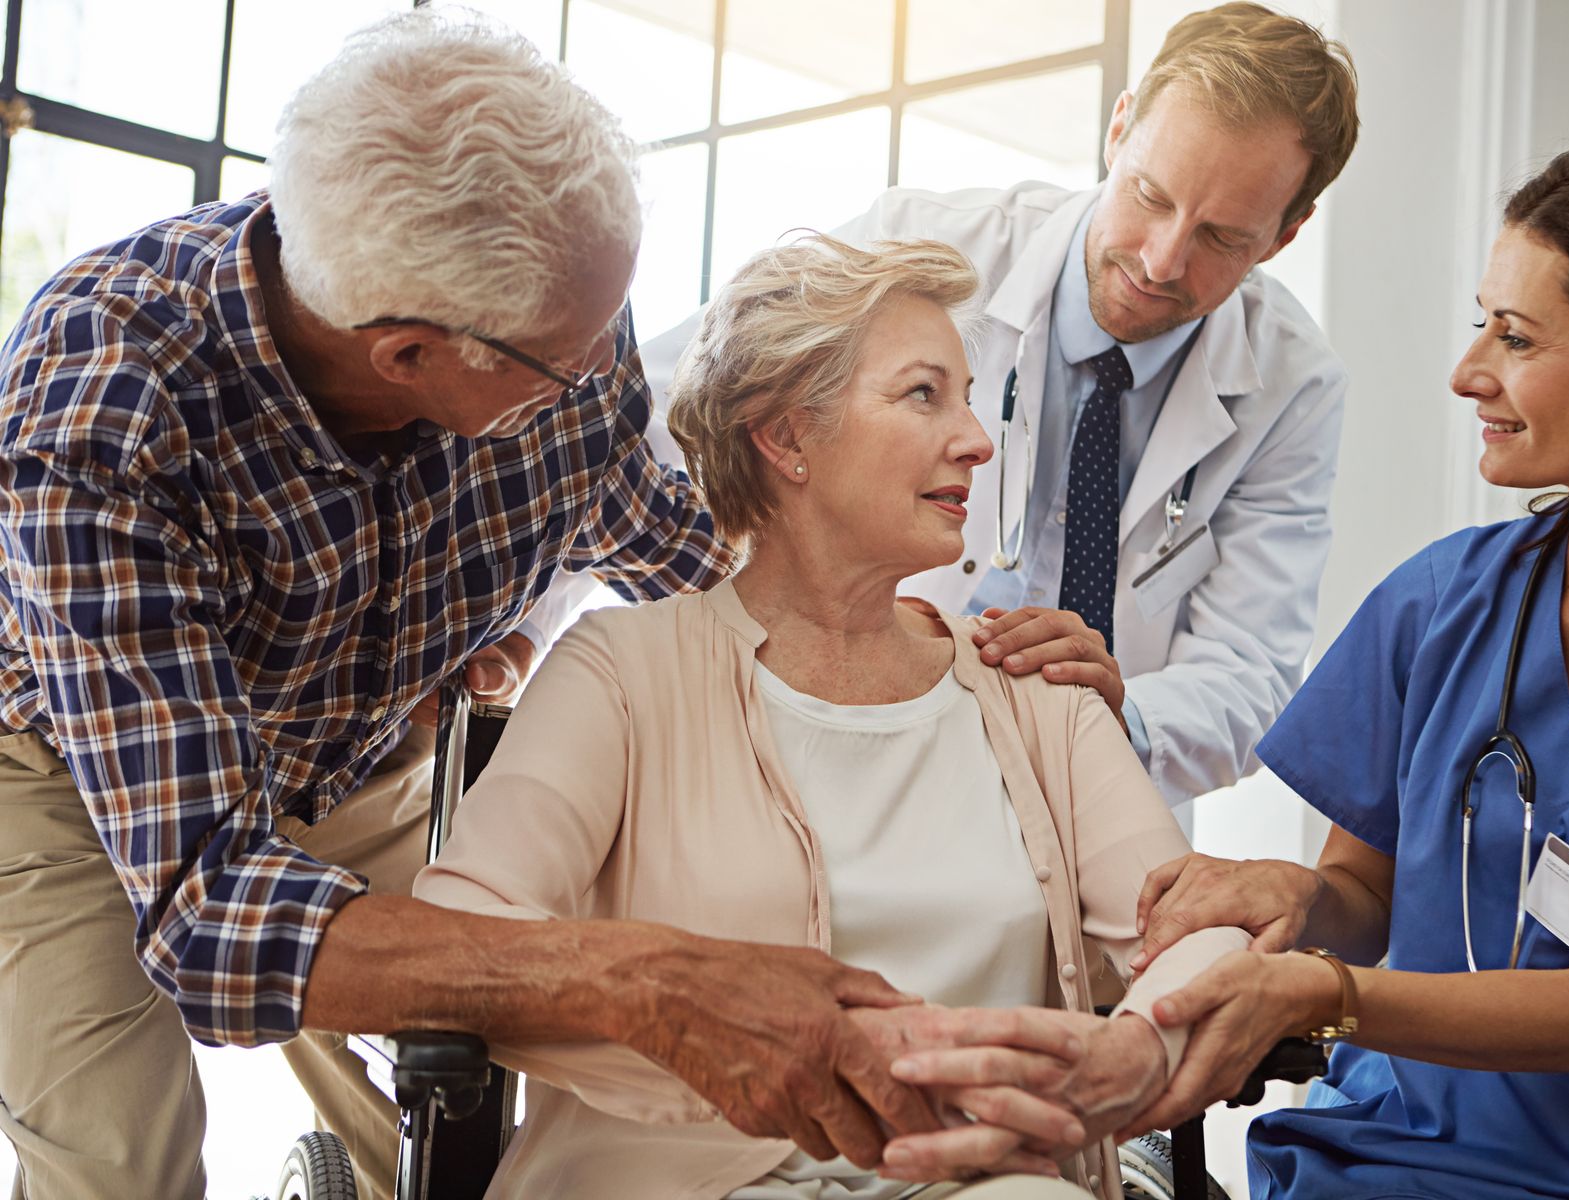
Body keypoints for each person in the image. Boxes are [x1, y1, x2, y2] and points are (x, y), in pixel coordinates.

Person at [0, 14, 967, 1199]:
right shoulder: (107, 400)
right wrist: (630, 977)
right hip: (72, 777)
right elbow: (210, 912)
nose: (601, 367)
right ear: (408, 354)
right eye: (568, 358)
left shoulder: (561, 311)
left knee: (466, 1096)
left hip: (354, 756)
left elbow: (668, 545)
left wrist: (938, 653)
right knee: (122, 1169)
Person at [903, 137, 1569, 1197]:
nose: (1470, 373)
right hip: (1388, 1153)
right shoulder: (1445, 606)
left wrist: (1318, 992)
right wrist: (1297, 896)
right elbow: (1366, 889)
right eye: (1483, 324)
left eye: (1516, 338)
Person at [413, 234, 1253, 1199]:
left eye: (972, 396)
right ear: (787, 439)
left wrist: (1144, 1046)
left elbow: (1193, 919)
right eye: (923, 394)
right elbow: (461, 932)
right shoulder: (622, 670)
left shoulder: (1036, 684)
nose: (979, 439)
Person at [645, 2, 1360, 806]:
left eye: (1223, 237)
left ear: (1283, 236)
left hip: (1081, 783)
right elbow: (661, 412)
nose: (1161, 261)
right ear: (1119, 129)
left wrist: (1113, 714)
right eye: (1150, 196)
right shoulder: (921, 247)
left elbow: (1250, 669)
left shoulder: (1295, 385)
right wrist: (536, 619)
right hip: (838, 725)